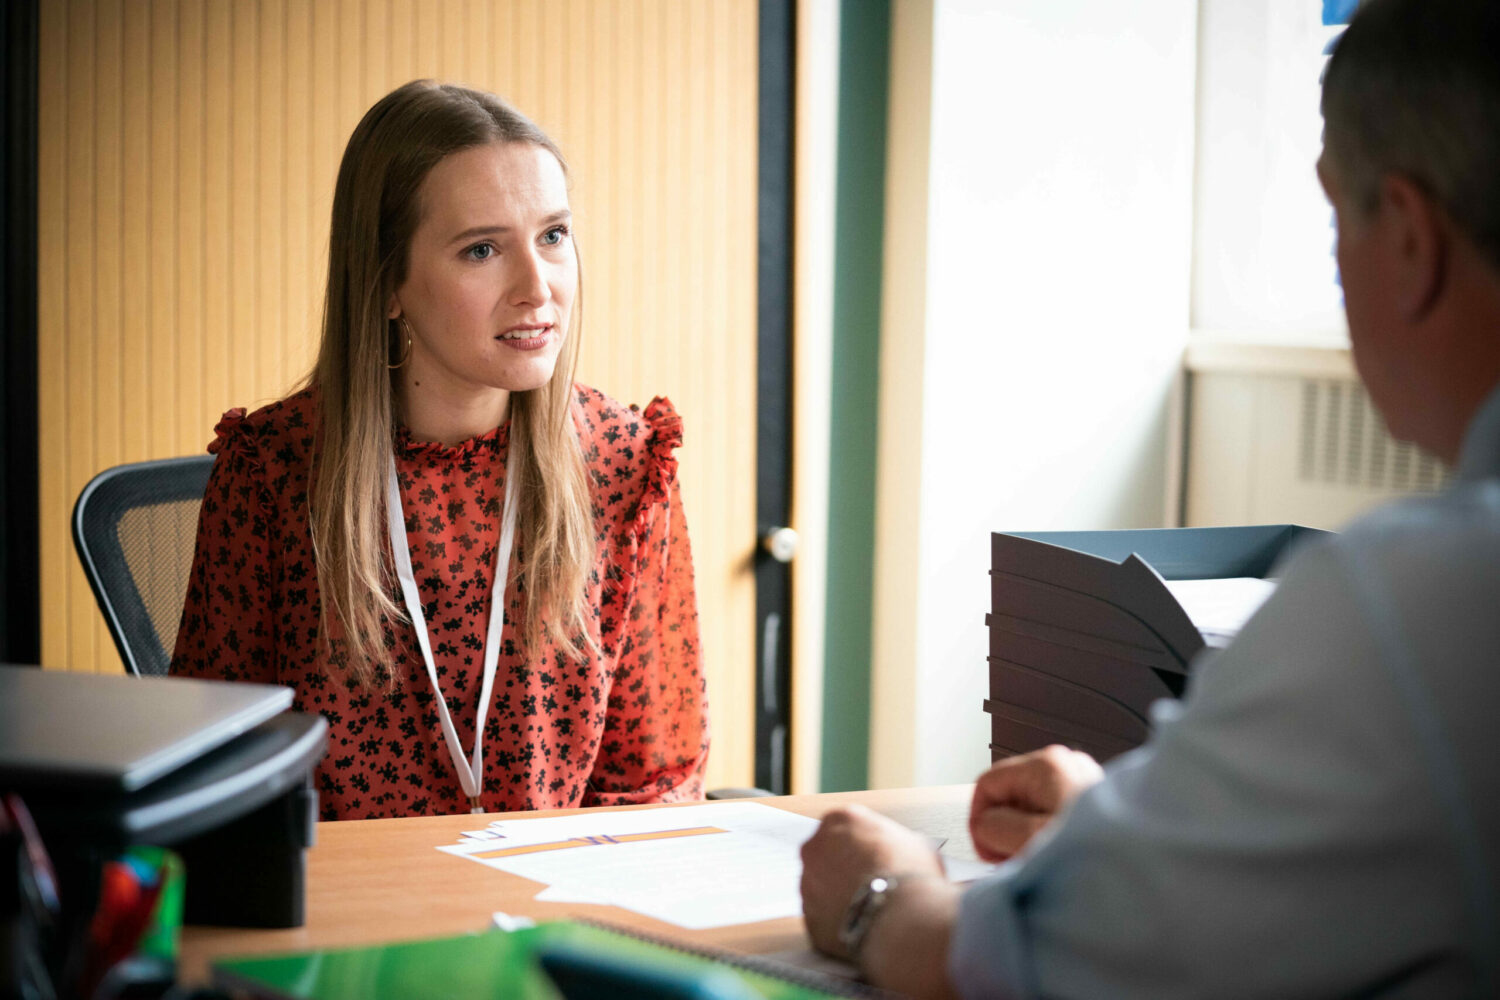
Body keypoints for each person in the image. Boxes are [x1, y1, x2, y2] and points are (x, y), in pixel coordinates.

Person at [799, 0, 1500, 995]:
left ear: (1411, 243)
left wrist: (881, 892)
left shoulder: (1423, 600)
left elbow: (994, 966)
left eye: (1337, 215)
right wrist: (1136, 827)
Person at [171, 81, 709, 821]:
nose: (537, 287)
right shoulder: (273, 472)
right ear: (388, 281)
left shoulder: (622, 465)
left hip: (556, 908)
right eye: (482, 249)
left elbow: (654, 783)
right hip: (349, 914)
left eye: (552, 236)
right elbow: (212, 778)